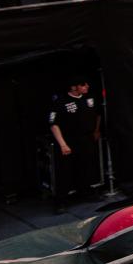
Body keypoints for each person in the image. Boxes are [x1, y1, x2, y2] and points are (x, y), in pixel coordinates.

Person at [45, 77, 101, 208]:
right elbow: (53, 124)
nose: (86, 86)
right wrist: (63, 144)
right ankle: (61, 202)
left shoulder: (89, 98)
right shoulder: (60, 102)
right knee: (65, 170)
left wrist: (96, 130)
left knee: (86, 166)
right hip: (68, 140)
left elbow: (98, 114)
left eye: (86, 84)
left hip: (86, 138)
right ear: (73, 87)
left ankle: (85, 192)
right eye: (83, 84)